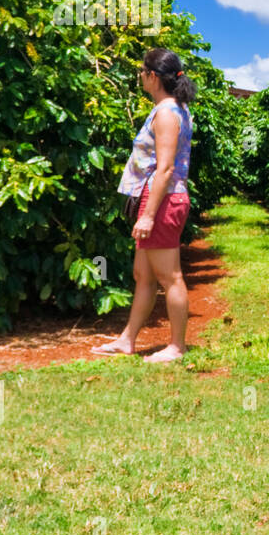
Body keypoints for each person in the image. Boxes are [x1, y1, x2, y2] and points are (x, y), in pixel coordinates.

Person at [92, 49, 195, 363]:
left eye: (141, 71)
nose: (139, 76)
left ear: (153, 76)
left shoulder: (167, 113)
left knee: (170, 276)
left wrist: (149, 215)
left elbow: (164, 168)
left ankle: (177, 347)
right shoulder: (171, 109)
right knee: (144, 275)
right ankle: (127, 340)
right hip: (157, 197)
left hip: (162, 199)